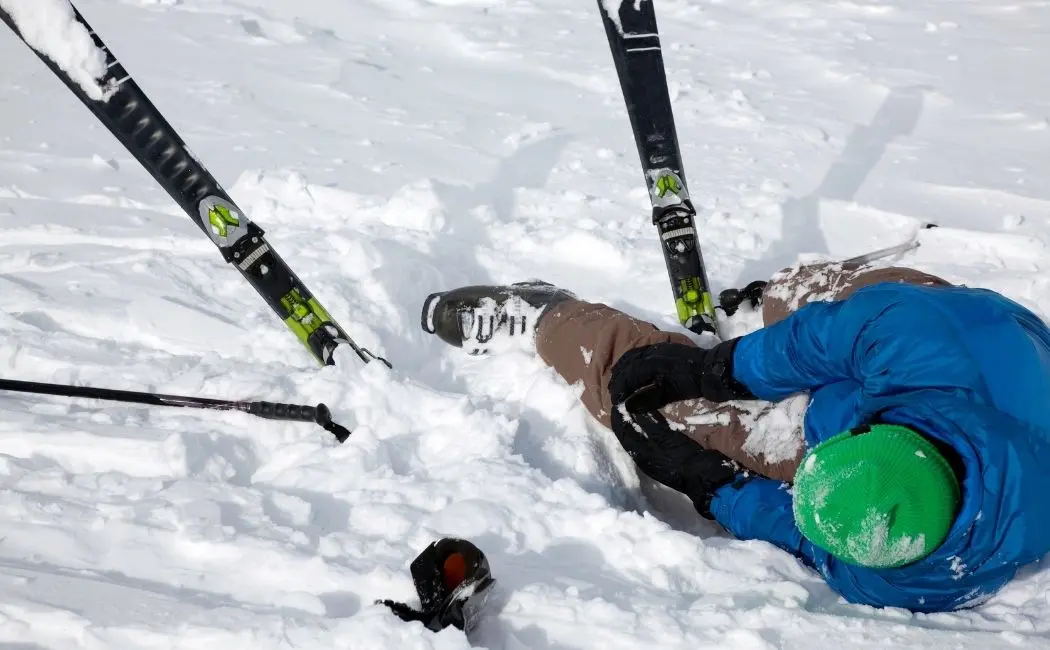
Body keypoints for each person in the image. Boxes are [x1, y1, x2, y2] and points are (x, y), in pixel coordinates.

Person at [420, 261, 1050, 613]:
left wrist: (713, 486)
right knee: (813, 309)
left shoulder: (901, 571)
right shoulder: (916, 339)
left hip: (955, 369)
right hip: (953, 324)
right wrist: (716, 368)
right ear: (878, 431)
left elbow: (808, 540)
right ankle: (783, 292)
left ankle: (549, 318)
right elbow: (818, 343)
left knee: (664, 407)